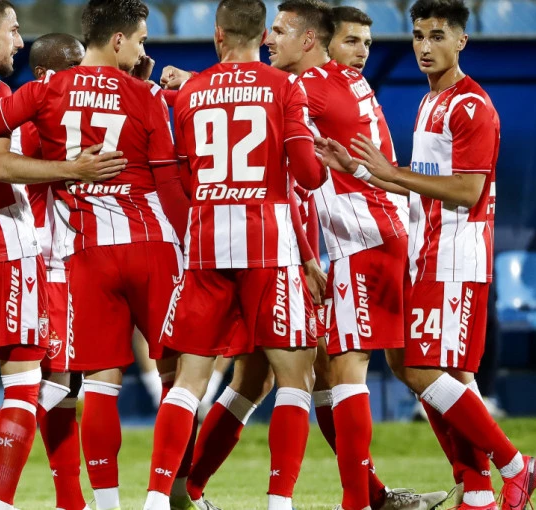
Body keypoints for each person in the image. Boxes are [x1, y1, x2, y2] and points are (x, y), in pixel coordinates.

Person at [164, 4, 446, 509]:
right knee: (306, 374)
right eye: (352, 41)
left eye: (365, 43)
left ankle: (185, 491)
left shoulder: (314, 87)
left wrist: (193, 83)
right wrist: (308, 255)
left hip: (298, 244)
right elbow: (298, 175)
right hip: (294, 247)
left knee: (266, 377)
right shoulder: (301, 89)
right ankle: (362, 496)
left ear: (311, 41)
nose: (361, 53)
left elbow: (245, 99)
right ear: (326, 41)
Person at [0, 2, 190, 509]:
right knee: (44, 383)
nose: (18, 42)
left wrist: (131, 82)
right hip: (40, 253)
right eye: (71, 67)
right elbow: (2, 165)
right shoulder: (22, 103)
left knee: (53, 382)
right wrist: (132, 98)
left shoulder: (8, 99)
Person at [323, 0, 536, 508]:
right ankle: (478, 492)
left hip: (456, 258)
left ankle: (516, 465)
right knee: (440, 376)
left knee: (422, 371)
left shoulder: (472, 106)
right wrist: (359, 170)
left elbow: (467, 191)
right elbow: (419, 186)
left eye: (438, 36)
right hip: (426, 254)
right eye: (419, 36)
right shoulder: (430, 103)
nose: (425, 47)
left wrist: (391, 171)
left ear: (462, 41)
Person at [142, 0, 334, 508]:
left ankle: (158, 498)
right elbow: (307, 175)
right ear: (264, 35)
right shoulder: (284, 87)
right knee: (295, 378)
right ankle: (279, 503)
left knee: (189, 382)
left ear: (218, 35)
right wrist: (321, 161)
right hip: (268, 247)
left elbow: (182, 176)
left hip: (206, 246)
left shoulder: (190, 94)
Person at [17, 32, 92, 510]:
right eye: (76, 69)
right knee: (55, 381)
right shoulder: (41, 120)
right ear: (47, 75)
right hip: (49, 260)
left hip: (54, 257)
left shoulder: (29, 113)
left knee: (66, 383)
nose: (85, 78)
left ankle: (70, 500)